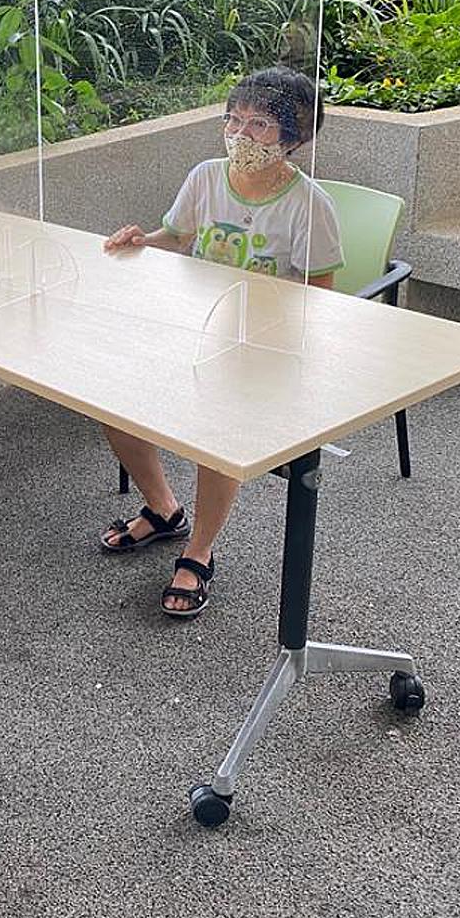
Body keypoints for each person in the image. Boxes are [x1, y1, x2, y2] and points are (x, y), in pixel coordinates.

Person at [99, 66, 342, 619]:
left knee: (219, 430)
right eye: (233, 119)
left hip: (260, 347)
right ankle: (163, 509)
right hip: (193, 327)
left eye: (259, 124)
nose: (240, 134)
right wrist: (141, 241)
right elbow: (176, 237)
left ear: (293, 138)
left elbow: (322, 298)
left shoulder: (309, 205)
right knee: (112, 399)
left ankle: (199, 550)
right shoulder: (206, 177)